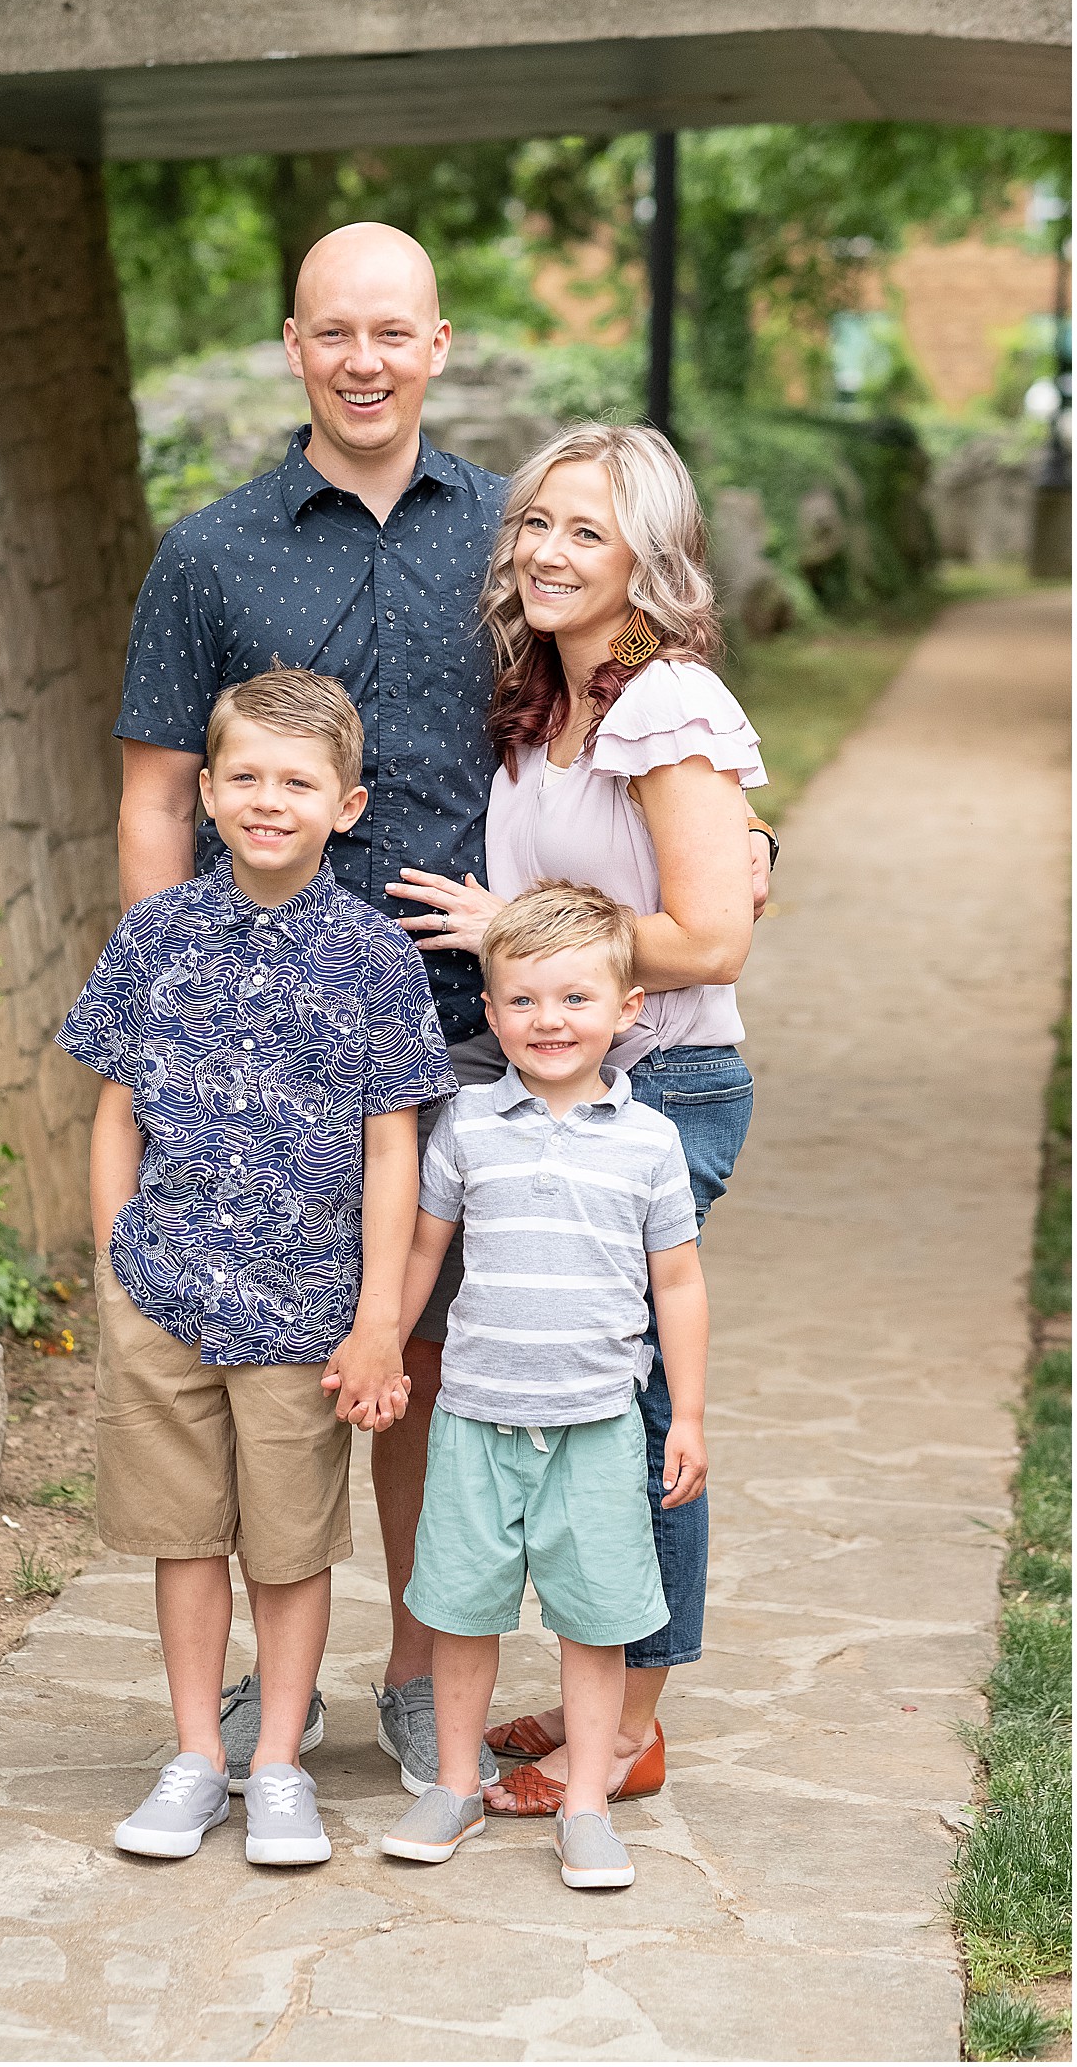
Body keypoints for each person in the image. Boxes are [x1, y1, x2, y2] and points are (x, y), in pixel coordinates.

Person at [114, 218, 774, 1791]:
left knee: (445, 1361)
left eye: (392, 332)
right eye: (333, 331)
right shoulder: (210, 552)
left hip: (495, 1038)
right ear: (292, 343)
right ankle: (239, 1715)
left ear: (440, 343)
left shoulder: (509, 531)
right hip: (267, 1042)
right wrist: (167, 1001)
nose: (363, 359)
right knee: (264, 1361)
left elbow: (652, 753)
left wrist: (738, 864)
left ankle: (426, 1674)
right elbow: (153, 798)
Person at [387, 421, 767, 1816]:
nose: (548, 550)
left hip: (659, 1089)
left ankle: (634, 1729)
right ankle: (613, 1677)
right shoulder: (547, 698)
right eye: (537, 521)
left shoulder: (665, 704)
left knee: (635, 1399)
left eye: (586, 532)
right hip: (548, 1083)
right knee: (548, 1384)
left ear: (646, 561)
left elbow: (715, 935)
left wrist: (520, 933)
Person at [57, 666, 455, 1866]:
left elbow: (396, 1146)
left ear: (346, 804)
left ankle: (279, 1760)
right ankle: (196, 1755)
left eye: (297, 781)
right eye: (244, 777)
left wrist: (379, 1314)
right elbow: (114, 1109)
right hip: (164, 1290)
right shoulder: (154, 933)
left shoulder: (374, 958)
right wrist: (114, 1258)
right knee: (185, 1536)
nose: (266, 799)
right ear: (210, 793)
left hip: (304, 1309)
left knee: (287, 1546)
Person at [378, 882, 708, 1890]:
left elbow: (679, 1281)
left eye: (573, 1000)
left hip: (597, 1422)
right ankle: (448, 1784)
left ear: (624, 1010)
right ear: (489, 1011)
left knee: (595, 1615)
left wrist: (685, 1412)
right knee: (462, 1607)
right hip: (476, 1414)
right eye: (521, 1001)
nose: (547, 1021)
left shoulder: (648, 1141)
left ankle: (585, 1804)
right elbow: (424, 1251)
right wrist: (384, 1345)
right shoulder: (468, 1124)